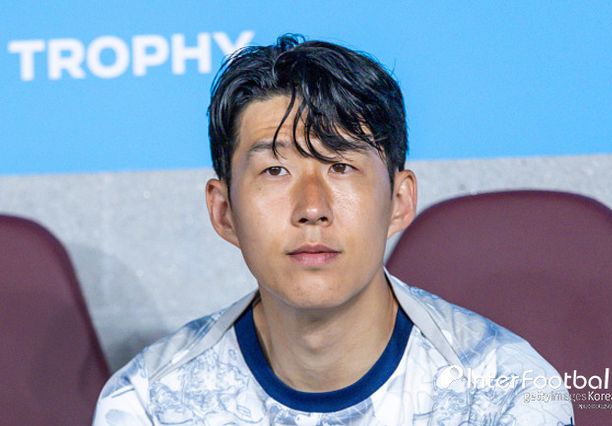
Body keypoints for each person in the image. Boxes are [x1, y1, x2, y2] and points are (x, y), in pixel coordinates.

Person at [93, 34, 574, 425]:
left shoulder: (505, 393)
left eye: (341, 166)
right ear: (224, 212)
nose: (312, 208)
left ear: (399, 201)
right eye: (275, 171)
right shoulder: (150, 403)